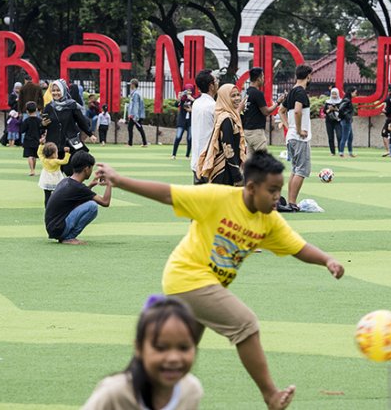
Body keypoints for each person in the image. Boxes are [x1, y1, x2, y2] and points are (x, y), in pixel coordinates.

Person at [94, 150, 345, 410]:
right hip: (187, 278)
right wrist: (120, 180)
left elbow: (297, 247)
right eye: (271, 190)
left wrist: (327, 260)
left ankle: (132, 395)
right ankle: (271, 395)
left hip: (200, 286)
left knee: (175, 359)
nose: (277, 197)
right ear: (250, 187)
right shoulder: (217, 198)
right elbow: (169, 194)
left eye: (279, 190)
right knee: (245, 324)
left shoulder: (268, 220)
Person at [83, 296, 203, 410]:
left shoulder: (191, 391)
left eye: (184, 348)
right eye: (161, 348)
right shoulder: (114, 393)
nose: (173, 358)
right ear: (139, 348)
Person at [44, 150, 111, 244]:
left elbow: (80, 196)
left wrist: (90, 186)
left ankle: (66, 236)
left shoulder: (66, 181)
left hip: (53, 228)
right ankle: (69, 237)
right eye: (91, 168)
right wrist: (110, 183)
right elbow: (105, 202)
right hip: (59, 228)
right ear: (86, 169)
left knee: (87, 203)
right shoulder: (78, 187)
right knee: (92, 206)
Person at [41, 79, 96, 177]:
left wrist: (90, 134)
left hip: (69, 143)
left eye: (58, 90)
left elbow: (81, 121)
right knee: (54, 173)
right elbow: (43, 126)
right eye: (53, 90)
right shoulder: (49, 107)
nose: (55, 93)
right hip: (54, 145)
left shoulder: (72, 105)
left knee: (69, 170)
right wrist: (43, 125)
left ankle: (71, 190)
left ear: (63, 91)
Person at [278, 64, 313, 212]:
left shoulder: (292, 91)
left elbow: (281, 110)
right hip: (299, 138)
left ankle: (292, 201)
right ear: (309, 76)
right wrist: (299, 130)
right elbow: (298, 111)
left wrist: (288, 126)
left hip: (291, 137)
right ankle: (292, 202)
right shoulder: (300, 92)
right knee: (302, 170)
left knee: (295, 169)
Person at [196, 84, 246, 185]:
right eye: (233, 96)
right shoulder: (226, 119)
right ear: (224, 98)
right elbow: (228, 149)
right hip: (224, 172)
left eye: (238, 95)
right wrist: (237, 176)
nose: (237, 98)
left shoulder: (232, 116)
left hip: (229, 170)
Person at [242, 67, 283, 156]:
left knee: (251, 162)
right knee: (263, 160)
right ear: (258, 78)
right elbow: (266, 111)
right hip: (256, 132)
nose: (264, 79)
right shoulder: (257, 93)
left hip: (247, 131)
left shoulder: (247, 92)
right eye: (263, 77)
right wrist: (278, 102)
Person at [190, 70, 219, 184]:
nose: (218, 83)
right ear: (211, 86)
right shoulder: (213, 106)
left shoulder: (196, 103)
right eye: (215, 81)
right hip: (209, 161)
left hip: (197, 159)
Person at [38, 140, 71, 206]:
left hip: (46, 179)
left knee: (47, 196)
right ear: (53, 154)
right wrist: (67, 153)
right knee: (57, 194)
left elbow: (39, 153)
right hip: (55, 179)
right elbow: (65, 161)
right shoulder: (55, 161)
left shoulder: (43, 159)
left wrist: (41, 145)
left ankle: (47, 209)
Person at [172, 84, 195, 159]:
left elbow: (198, 107)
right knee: (178, 136)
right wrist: (178, 99)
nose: (188, 92)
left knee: (190, 138)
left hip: (191, 121)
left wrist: (191, 99)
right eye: (187, 90)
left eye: (190, 90)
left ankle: (187, 155)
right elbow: (176, 105)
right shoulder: (182, 99)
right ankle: (174, 154)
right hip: (182, 120)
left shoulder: (195, 99)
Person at [20, 101, 42, 175]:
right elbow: (42, 130)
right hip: (37, 140)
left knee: (29, 156)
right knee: (35, 156)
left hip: (28, 140)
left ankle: (31, 170)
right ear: (36, 109)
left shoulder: (26, 121)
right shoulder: (39, 121)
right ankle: (34, 169)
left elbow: (22, 130)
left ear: (27, 111)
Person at [127, 79, 148, 147]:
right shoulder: (137, 92)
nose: (130, 85)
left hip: (135, 115)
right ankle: (143, 142)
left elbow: (136, 105)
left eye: (131, 84)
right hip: (135, 115)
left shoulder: (135, 94)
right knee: (135, 128)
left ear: (133, 85)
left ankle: (132, 143)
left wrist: (135, 116)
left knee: (137, 128)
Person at [338, 86, 357, 158]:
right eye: (355, 93)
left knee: (350, 137)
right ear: (351, 92)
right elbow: (341, 109)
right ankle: (341, 152)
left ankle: (350, 152)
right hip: (346, 120)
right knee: (345, 137)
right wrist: (347, 116)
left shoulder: (347, 99)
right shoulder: (347, 100)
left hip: (347, 120)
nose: (356, 94)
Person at [322, 88, 342, 156]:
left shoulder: (340, 102)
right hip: (329, 121)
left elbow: (342, 111)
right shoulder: (328, 102)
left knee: (339, 136)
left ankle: (340, 151)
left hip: (337, 121)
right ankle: (332, 152)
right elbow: (324, 111)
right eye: (333, 94)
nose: (334, 95)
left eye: (335, 94)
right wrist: (329, 109)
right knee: (330, 137)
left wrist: (336, 109)